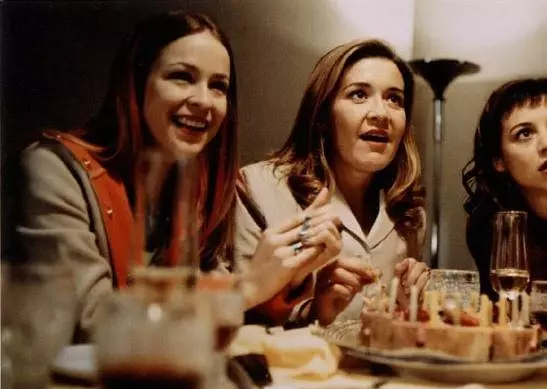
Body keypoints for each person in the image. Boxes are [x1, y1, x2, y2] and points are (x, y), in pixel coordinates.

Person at [3, 10, 341, 340]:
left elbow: (216, 317)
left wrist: (294, 276)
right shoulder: (52, 169)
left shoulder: (197, 187)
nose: (204, 100)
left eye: (218, 86)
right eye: (182, 77)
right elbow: (89, 321)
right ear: (136, 83)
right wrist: (247, 287)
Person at [236, 38, 429, 326]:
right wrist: (312, 311)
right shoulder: (256, 188)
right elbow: (232, 318)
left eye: (394, 99)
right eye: (359, 95)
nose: (381, 113)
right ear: (323, 115)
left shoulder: (411, 216)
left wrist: (409, 306)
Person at [463, 78, 547, 300]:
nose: (546, 144)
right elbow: (502, 313)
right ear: (498, 159)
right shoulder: (492, 226)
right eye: (525, 134)